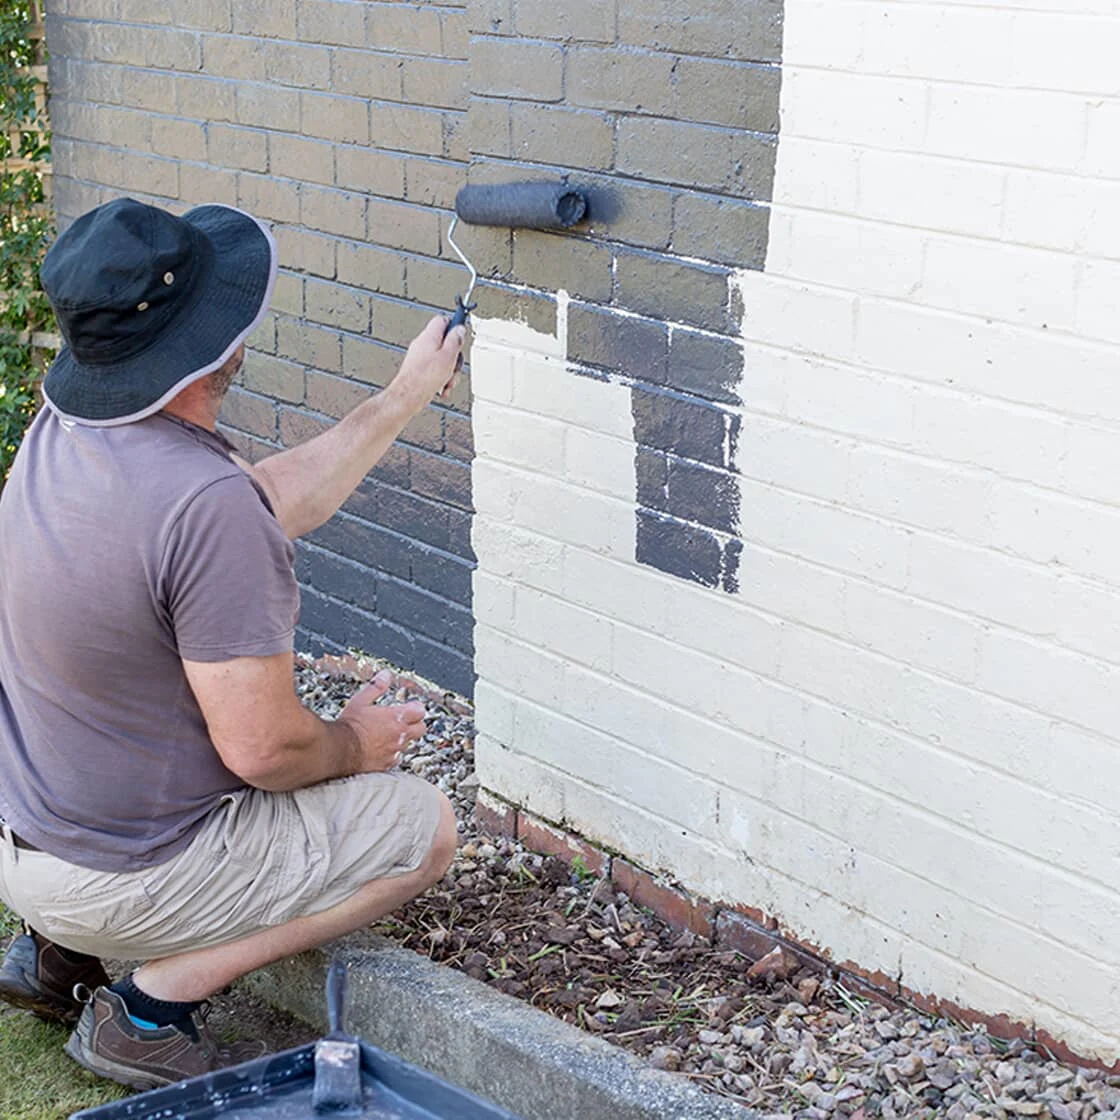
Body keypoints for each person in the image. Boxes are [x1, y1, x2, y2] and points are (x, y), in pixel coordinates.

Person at [0, 197, 466, 1089]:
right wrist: (356, 746)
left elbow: (262, 500)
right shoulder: (204, 507)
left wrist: (404, 394)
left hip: (32, 843)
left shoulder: (64, 434)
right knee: (422, 829)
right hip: (124, 875)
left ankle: (56, 957)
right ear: (207, 343)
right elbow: (266, 750)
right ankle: (149, 1010)